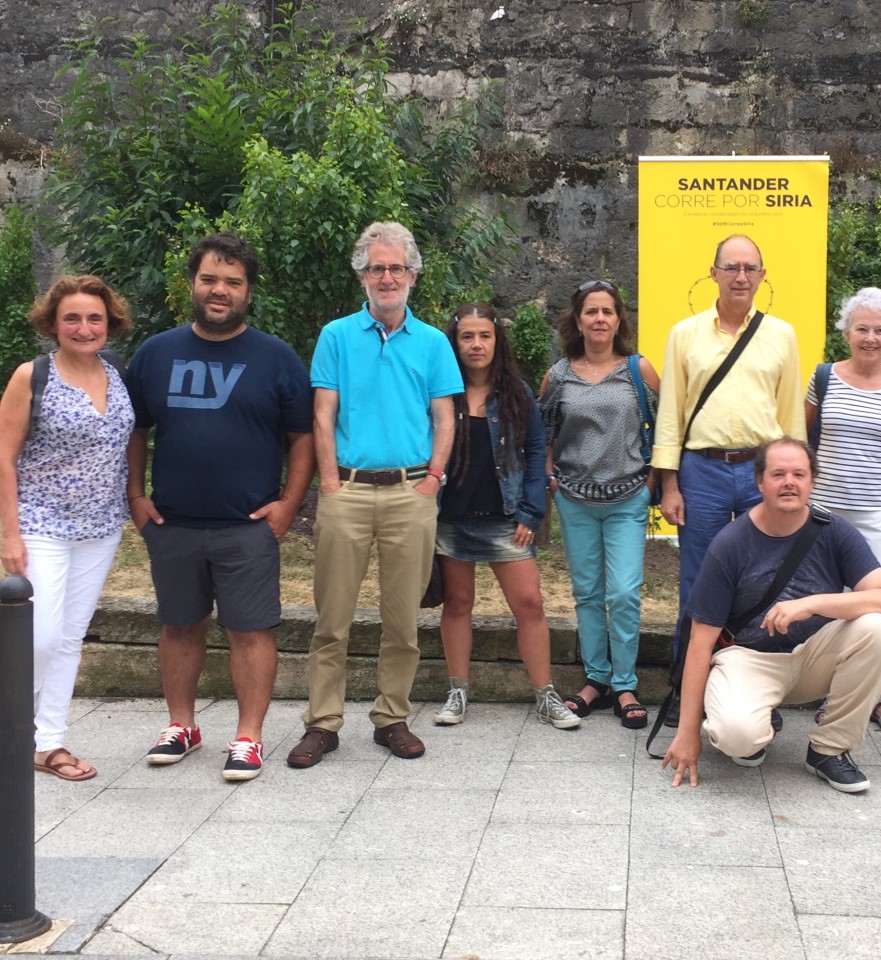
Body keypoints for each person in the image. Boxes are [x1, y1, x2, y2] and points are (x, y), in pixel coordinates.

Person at [127, 234, 314, 781]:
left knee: (250, 631)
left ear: (248, 291)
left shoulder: (276, 357)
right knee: (179, 626)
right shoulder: (154, 353)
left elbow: (301, 438)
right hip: (173, 522)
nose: (219, 290)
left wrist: (287, 505)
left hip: (247, 525)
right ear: (192, 284)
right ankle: (181, 726)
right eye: (209, 279)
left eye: (232, 282)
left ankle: (248, 737)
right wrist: (135, 496)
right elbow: (136, 429)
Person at [288, 222, 461, 767]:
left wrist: (433, 479)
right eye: (376, 268)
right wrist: (330, 485)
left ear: (412, 274)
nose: (387, 277)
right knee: (331, 618)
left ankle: (392, 718)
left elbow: (445, 418)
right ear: (362, 275)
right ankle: (323, 723)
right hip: (349, 491)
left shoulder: (433, 342)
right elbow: (323, 414)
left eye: (396, 267)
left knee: (402, 619)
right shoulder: (336, 336)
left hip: (412, 491)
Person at [661, 437, 881, 793]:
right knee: (737, 737)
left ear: (811, 481)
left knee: (879, 630)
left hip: (815, 654)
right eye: (778, 474)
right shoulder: (731, 543)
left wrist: (812, 603)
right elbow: (700, 643)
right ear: (759, 482)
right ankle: (756, 724)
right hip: (749, 657)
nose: (789, 482)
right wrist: (687, 734)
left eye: (798, 474)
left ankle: (828, 750)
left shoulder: (834, 531)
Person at [0, 276, 133, 782]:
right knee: (40, 636)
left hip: (100, 526)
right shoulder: (31, 376)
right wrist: (10, 534)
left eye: (94, 318)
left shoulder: (118, 371)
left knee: (70, 638)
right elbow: (3, 458)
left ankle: (46, 742)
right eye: (72, 318)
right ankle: (12, 724)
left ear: (109, 322)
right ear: (53, 324)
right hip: (41, 523)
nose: (84, 327)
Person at [430, 303, 579, 729]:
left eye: (485, 336)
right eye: (467, 337)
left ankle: (546, 694)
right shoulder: (440, 390)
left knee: (529, 603)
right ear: (454, 343)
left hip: (506, 516)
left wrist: (532, 512)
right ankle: (457, 691)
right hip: (452, 516)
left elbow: (536, 453)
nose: (476, 345)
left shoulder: (517, 392)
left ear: (497, 341)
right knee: (458, 604)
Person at [653, 234, 805, 642]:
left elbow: (790, 416)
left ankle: (758, 686)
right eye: (732, 267)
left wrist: (795, 483)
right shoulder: (684, 334)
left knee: (768, 577)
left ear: (762, 276)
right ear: (714, 273)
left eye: (749, 268)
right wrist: (670, 484)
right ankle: (688, 684)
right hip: (702, 473)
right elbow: (671, 411)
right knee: (700, 576)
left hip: (764, 473)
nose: (741, 276)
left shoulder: (782, 336)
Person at [540, 281, 659, 728]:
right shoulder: (559, 375)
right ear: (578, 320)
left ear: (618, 320)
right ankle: (596, 680)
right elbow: (544, 433)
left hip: (628, 497)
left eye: (608, 311)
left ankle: (625, 683)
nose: (600, 319)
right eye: (591, 311)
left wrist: (652, 481)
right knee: (587, 594)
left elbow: (663, 426)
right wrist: (551, 478)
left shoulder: (637, 370)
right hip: (574, 498)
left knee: (624, 592)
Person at [805, 287, 881, 734]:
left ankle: (878, 695)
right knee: (826, 603)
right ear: (846, 333)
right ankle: (832, 692)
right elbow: (801, 439)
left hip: (880, 514)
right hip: (825, 513)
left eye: (879, 330)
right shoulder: (824, 377)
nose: (870, 338)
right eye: (862, 329)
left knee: (878, 609)